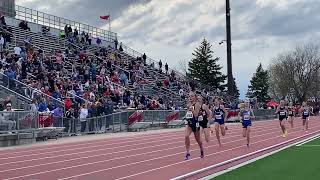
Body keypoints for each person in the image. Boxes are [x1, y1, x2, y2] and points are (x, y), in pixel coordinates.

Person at [184, 92, 204, 160]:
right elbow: (187, 113)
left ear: (195, 97)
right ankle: (187, 152)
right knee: (186, 136)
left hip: (195, 124)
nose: (190, 97)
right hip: (189, 123)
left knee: (198, 140)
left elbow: (195, 115)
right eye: (189, 96)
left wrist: (192, 110)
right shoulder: (188, 104)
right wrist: (186, 117)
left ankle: (201, 148)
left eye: (192, 96)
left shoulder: (197, 104)